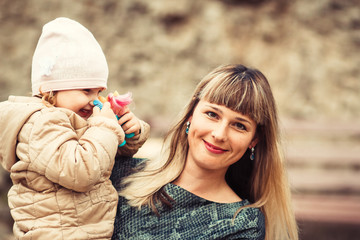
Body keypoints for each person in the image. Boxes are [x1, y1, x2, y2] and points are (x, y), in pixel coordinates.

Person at [0, 17, 150, 239]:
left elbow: (105, 156)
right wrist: (106, 127)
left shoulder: (79, 120)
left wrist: (130, 132)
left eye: (98, 92)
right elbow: (80, 171)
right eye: (86, 90)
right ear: (50, 90)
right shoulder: (41, 124)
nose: (94, 100)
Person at [110, 64, 298, 240]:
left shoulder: (242, 224)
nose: (219, 134)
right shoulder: (123, 172)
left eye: (239, 125)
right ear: (191, 114)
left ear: (254, 140)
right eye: (212, 114)